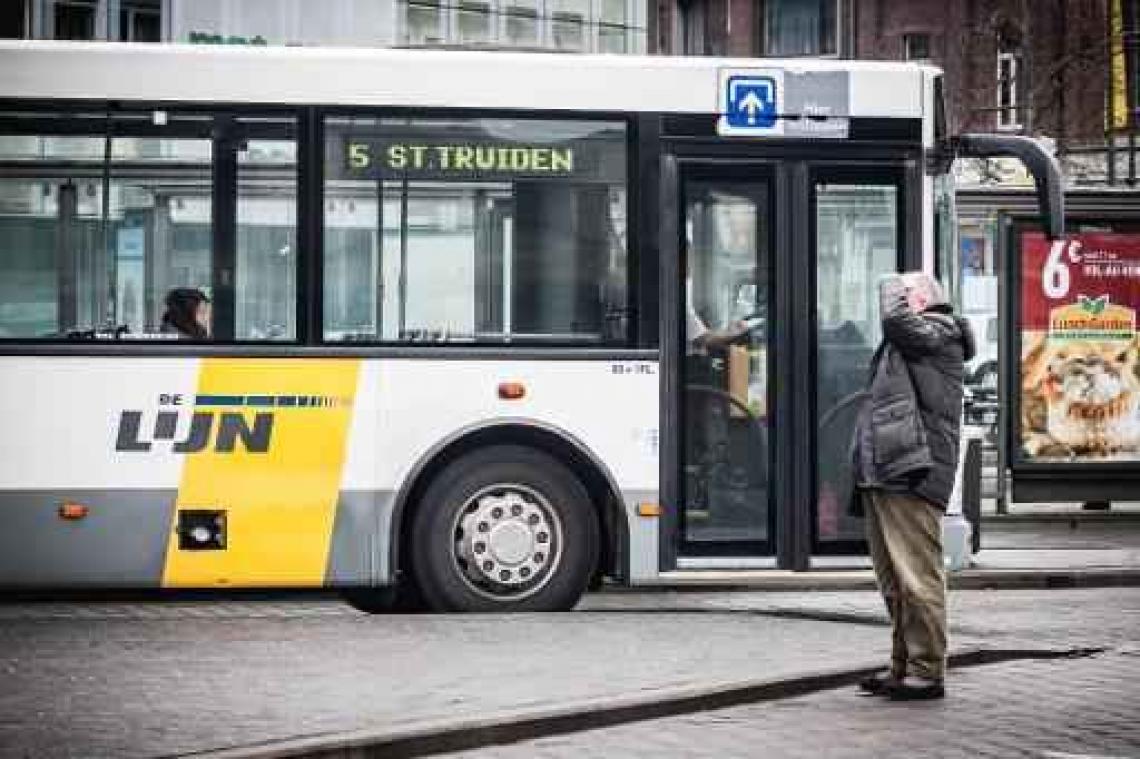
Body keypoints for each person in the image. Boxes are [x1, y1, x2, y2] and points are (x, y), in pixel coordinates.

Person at [849, 271, 975, 701]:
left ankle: (927, 669)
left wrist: (890, 279)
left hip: (912, 471)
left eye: (908, 294)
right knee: (894, 580)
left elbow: (897, 321)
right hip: (887, 471)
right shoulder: (916, 339)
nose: (899, 298)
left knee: (917, 576)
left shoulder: (940, 333)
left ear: (922, 301)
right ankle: (902, 665)